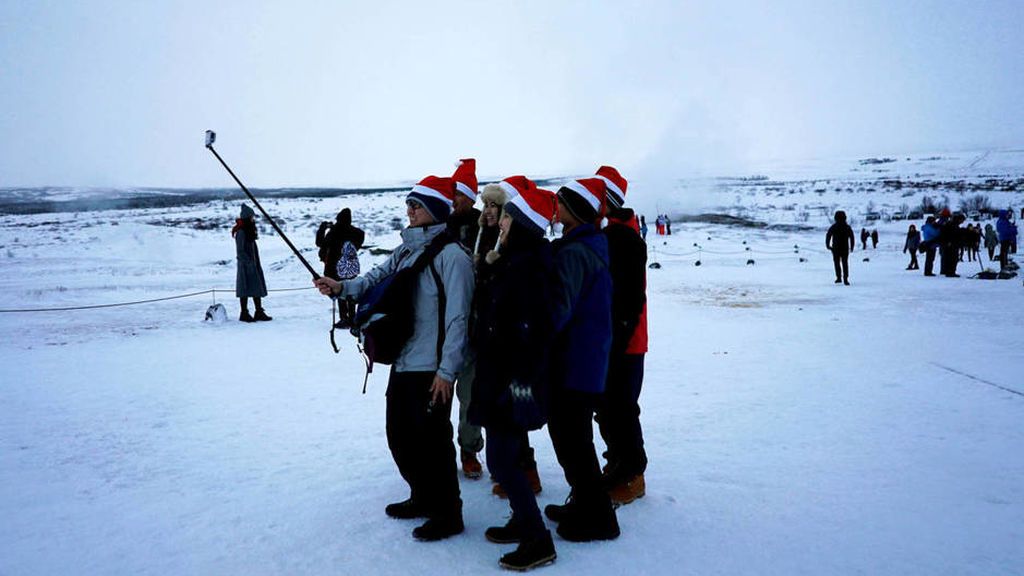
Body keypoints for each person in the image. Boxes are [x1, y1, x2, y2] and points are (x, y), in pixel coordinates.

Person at [314, 175, 473, 542]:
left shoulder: (453, 258)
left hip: (433, 368)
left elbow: (459, 318)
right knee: (400, 437)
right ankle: (421, 495)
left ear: (434, 210)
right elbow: (374, 278)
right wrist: (340, 288)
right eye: (409, 204)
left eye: (416, 205)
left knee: (433, 443)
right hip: (403, 360)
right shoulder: (406, 249)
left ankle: (448, 513)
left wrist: (447, 372)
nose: (409, 210)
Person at [469, 179, 559, 571]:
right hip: (502, 375)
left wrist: (517, 385)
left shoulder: (526, 267)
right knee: (506, 455)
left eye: (505, 216)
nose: (498, 222)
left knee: (503, 461)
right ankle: (522, 521)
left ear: (520, 223)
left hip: (512, 380)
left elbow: (529, 334)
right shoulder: (512, 259)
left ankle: (538, 539)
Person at [543, 177, 620, 542]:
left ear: (574, 210)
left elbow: (558, 311)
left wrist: (531, 330)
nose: (554, 210)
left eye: (559, 204)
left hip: (574, 362)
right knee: (571, 438)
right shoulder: (588, 244)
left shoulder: (575, 252)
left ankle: (600, 518)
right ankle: (584, 503)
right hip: (585, 360)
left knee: (572, 440)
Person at [475, 178, 544, 498]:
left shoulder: (515, 249)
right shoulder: (483, 235)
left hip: (507, 345)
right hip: (489, 336)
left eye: (495, 206)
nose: (489, 211)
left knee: (510, 410)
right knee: (499, 409)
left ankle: (523, 471)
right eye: (486, 205)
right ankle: (512, 470)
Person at [594, 166, 649, 506]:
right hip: (612, 338)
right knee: (607, 407)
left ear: (607, 201)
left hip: (626, 341)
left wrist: (618, 338)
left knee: (622, 408)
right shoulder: (610, 233)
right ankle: (616, 463)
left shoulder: (624, 238)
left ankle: (633, 475)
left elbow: (630, 298)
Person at [448, 158, 484, 479]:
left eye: (457, 194)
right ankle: (438, 452)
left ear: (470, 196)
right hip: (441, 325)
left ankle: (469, 450)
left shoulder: (486, 226)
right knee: (437, 393)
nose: (453, 199)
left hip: (474, 326)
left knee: (470, 395)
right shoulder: (439, 225)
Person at [232, 203, 271, 322]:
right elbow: (240, 251)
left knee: (256, 287)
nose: (253, 219)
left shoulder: (248, 231)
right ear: (247, 218)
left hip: (253, 265)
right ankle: (244, 313)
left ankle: (258, 311)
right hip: (245, 266)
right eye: (251, 217)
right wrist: (249, 263)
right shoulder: (241, 232)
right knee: (245, 289)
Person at [315, 208, 365, 281]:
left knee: (335, 290)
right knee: (352, 289)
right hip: (350, 268)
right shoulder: (356, 232)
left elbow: (319, 243)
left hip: (332, 269)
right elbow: (360, 236)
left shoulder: (334, 232)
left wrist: (322, 229)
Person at [826, 211, 855, 285]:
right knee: (844, 263)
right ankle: (845, 279)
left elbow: (828, 235)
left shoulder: (834, 227)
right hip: (844, 248)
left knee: (837, 263)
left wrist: (827, 245)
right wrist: (852, 246)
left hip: (836, 248)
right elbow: (852, 237)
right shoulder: (847, 227)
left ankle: (839, 277)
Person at [939, 211, 965, 277]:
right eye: (962, 220)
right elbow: (950, 234)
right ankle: (950, 272)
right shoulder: (952, 225)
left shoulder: (952, 224)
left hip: (952, 244)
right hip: (951, 244)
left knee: (951, 258)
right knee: (952, 258)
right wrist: (948, 242)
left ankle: (949, 271)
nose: (962, 222)